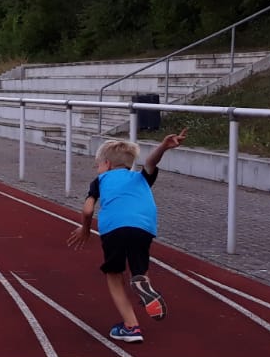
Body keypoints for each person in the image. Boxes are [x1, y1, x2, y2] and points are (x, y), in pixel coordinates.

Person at [66, 129, 187, 343]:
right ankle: (142, 283)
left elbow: (87, 210)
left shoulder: (100, 180)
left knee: (113, 274)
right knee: (139, 269)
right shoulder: (140, 177)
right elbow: (150, 162)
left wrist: (84, 229)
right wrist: (164, 146)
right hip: (143, 226)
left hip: (114, 227)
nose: (97, 168)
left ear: (107, 165)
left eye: (98, 164)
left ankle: (131, 327)